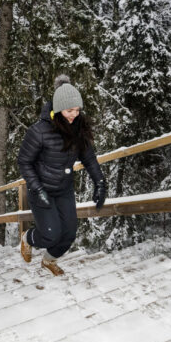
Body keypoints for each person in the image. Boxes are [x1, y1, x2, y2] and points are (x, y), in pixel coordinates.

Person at [17, 75, 106, 276]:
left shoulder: (78, 129)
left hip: (64, 189)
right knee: (51, 234)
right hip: (41, 190)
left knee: (68, 234)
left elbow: (89, 158)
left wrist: (100, 183)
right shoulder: (38, 131)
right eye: (69, 111)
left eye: (77, 110)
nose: (74, 115)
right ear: (58, 109)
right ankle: (27, 237)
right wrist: (37, 188)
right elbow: (24, 161)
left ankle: (48, 261)